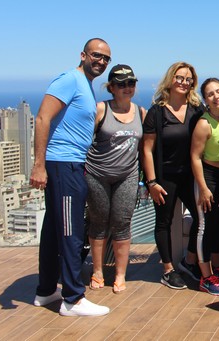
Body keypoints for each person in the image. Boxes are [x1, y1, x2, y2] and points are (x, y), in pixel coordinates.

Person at [30, 38, 112, 317]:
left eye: (105, 58)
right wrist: (38, 165)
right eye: (96, 55)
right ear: (83, 55)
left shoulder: (85, 86)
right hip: (63, 165)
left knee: (53, 230)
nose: (100, 61)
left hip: (69, 164)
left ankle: (46, 290)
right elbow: (42, 119)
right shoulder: (70, 80)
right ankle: (73, 299)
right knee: (71, 231)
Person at [141, 62, 204, 290]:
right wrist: (152, 182)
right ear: (170, 79)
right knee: (164, 222)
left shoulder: (197, 110)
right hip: (165, 176)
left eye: (188, 79)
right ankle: (168, 270)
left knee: (200, 217)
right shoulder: (156, 112)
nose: (184, 83)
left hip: (190, 176)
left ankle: (188, 261)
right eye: (179, 78)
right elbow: (147, 149)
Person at [85, 64, 145, 295]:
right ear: (111, 87)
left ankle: (120, 274)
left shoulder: (140, 113)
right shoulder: (101, 109)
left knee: (122, 223)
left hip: (127, 175)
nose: (127, 88)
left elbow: (145, 148)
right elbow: (85, 140)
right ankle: (98, 271)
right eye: (121, 84)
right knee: (98, 222)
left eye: (130, 83)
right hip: (97, 174)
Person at [189, 78, 219, 296]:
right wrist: (203, 187)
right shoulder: (204, 123)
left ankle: (218, 267)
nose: (216, 96)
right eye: (210, 94)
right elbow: (195, 157)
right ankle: (206, 277)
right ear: (205, 100)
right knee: (205, 227)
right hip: (209, 177)